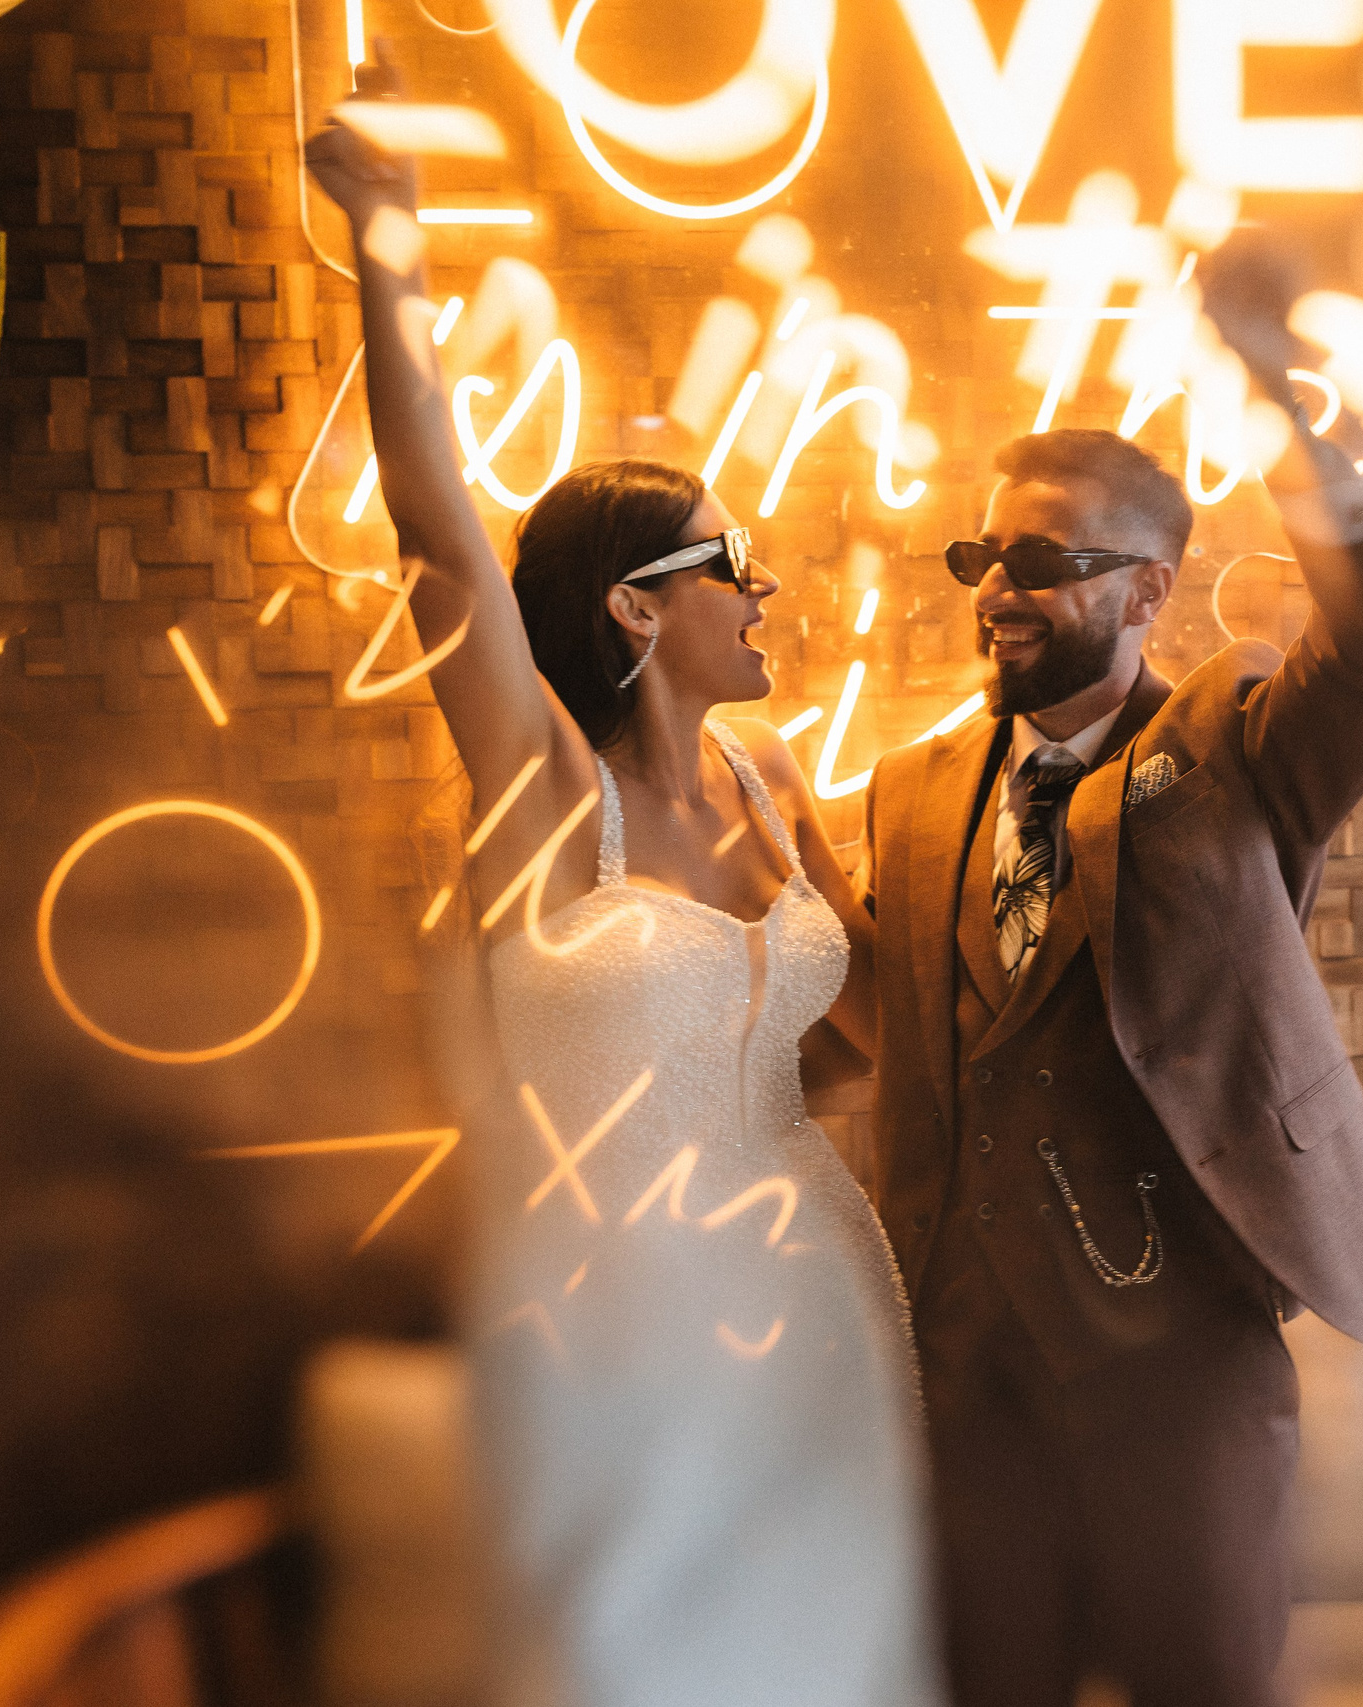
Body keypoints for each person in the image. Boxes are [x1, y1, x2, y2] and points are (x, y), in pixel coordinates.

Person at [304, 122, 941, 1707]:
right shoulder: (541, 788)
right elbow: (439, 537)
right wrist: (388, 238)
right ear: (634, 605)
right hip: (610, 1322)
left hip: (811, 1294)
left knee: (837, 1664)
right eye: (734, 563)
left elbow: (859, 1040)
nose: (766, 587)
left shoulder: (773, 779)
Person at [859, 294, 1363, 1704]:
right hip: (972, 1380)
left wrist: (1277, 391)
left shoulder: (1234, 747)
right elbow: (892, 1027)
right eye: (984, 558)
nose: (999, 591)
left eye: (1044, 561)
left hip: (1177, 1376)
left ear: (1145, 591)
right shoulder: (910, 790)